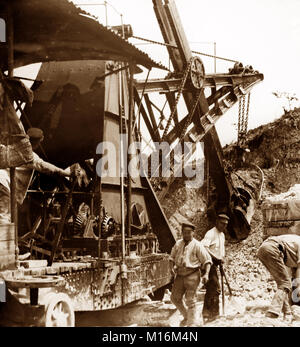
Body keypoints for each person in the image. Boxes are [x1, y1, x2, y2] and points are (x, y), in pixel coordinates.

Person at [0, 127, 88, 223]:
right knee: (4, 218)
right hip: (4, 184)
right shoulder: (29, 155)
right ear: (38, 143)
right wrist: (66, 173)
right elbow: (44, 166)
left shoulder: (13, 149)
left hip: (2, 181)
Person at [170, 221, 212, 327]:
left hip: (192, 275)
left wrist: (206, 274)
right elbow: (171, 257)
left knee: (190, 300)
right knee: (175, 298)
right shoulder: (178, 244)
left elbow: (207, 260)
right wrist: (171, 268)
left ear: (193, 233)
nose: (187, 235)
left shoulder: (198, 245)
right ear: (182, 233)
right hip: (179, 275)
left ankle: (191, 324)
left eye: (189, 232)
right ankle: (187, 316)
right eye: (184, 232)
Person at [257, 234, 300, 319]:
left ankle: (287, 312)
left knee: (283, 284)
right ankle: (272, 312)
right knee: (285, 283)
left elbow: (294, 276)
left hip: (264, 248)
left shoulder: (293, 251)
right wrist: (298, 287)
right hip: (274, 248)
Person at [201, 213, 229, 323]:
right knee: (215, 288)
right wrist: (216, 258)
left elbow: (220, 251)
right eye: (222, 224)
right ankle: (213, 314)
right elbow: (204, 248)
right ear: (217, 222)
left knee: (212, 289)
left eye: (226, 224)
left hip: (216, 264)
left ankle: (207, 313)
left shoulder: (222, 235)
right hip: (208, 263)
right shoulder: (210, 233)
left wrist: (220, 260)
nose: (224, 226)